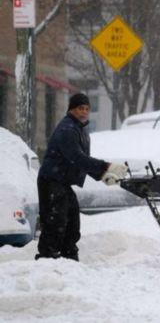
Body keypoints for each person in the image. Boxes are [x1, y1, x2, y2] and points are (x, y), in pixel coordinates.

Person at [35, 93, 128, 261]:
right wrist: (105, 167)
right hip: (51, 181)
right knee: (55, 223)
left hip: (63, 183)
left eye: (87, 109)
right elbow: (75, 157)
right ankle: (47, 260)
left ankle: (69, 259)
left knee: (72, 224)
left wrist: (103, 176)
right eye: (80, 108)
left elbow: (82, 162)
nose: (84, 112)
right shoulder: (67, 129)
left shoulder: (80, 130)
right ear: (71, 109)